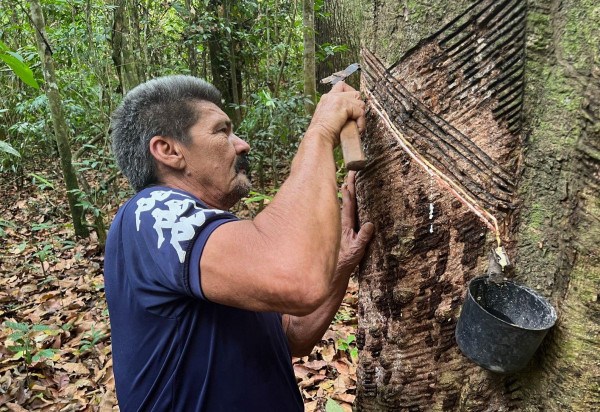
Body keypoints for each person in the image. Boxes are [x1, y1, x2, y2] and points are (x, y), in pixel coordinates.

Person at [104, 75, 374, 411]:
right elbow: (299, 281)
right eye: (221, 131)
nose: (241, 144)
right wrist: (319, 133)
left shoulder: (208, 238)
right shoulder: (152, 212)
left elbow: (293, 335)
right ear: (169, 151)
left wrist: (342, 262)